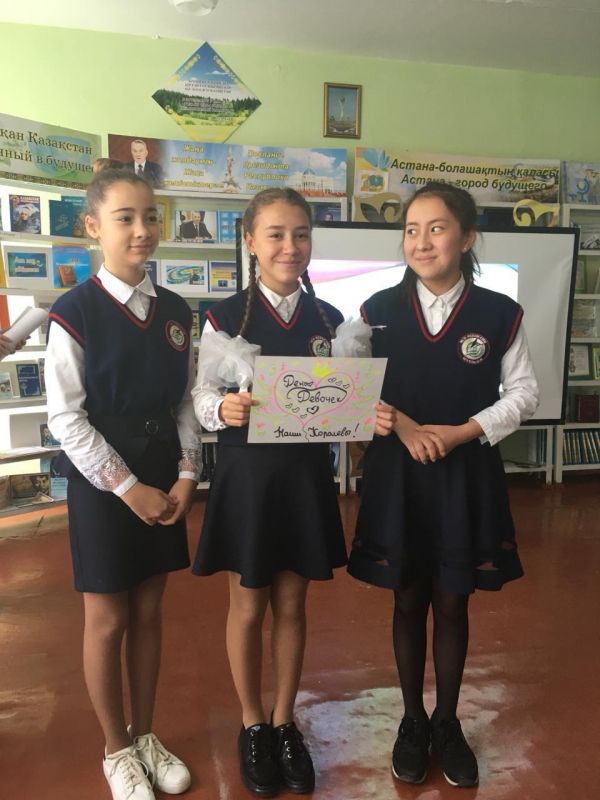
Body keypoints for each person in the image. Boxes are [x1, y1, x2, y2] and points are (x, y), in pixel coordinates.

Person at [347, 182, 539, 789]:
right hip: (397, 476)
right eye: (411, 229)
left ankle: (448, 722)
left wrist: (463, 432)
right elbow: (348, 389)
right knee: (407, 596)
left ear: (467, 237)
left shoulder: (499, 313)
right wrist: (399, 426)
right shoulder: (375, 311)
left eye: (436, 228)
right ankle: (411, 721)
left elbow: (524, 394)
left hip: (464, 474)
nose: (421, 241)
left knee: (453, 599)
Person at [191, 188, 354, 797]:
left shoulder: (331, 320)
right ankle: (252, 723)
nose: (291, 246)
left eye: (301, 234)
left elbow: (346, 399)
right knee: (248, 605)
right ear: (251, 242)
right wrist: (222, 410)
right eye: (276, 234)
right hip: (249, 480)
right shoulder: (223, 316)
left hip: (305, 478)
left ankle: (286, 722)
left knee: (292, 605)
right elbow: (200, 396)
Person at [45, 168, 200, 800]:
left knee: (150, 611)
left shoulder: (176, 311)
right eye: (125, 218)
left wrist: (187, 473)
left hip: (162, 474)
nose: (142, 230)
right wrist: (127, 486)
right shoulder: (74, 311)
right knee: (108, 618)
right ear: (93, 227)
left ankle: (146, 733)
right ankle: (116, 749)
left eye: (151, 217)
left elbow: (186, 400)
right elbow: (65, 417)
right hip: (105, 482)